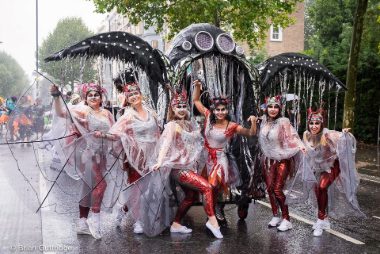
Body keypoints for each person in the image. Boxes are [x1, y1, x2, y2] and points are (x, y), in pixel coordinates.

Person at [152, 90, 223, 238]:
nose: (182, 109)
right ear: (173, 109)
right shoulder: (172, 125)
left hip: (190, 166)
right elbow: (165, 144)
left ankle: (176, 224)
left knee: (191, 197)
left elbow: (199, 141)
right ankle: (212, 221)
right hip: (179, 169)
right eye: (178, 106)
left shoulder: (190, 125)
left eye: (184, 105)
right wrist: (159, 161)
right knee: (207, 188)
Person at [50, 83, 115, 239]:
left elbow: (114, 133)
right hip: (86, 154)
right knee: (100, 185)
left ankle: (81, 222)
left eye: (96, 95)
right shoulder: (82, 111)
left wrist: (105, 137)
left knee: (88, 187)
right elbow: (60, 113)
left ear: (101, 97)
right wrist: (56, 96)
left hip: (102, 155)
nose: (93, 97)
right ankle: (95, 219)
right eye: (90, 95)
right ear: (86, 98)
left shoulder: (107, 114)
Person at [193, 80, 257, 225]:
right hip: (206, 157)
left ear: (227, 110)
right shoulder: (208, 117)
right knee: (209, 187)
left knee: (214, 184)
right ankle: (214, 210)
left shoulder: (231, 126)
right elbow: (196, 100)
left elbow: (250, 133)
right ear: (213, 110)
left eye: (223, 109)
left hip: (221, 159)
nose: (220, 112)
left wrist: (253, 122)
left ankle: (217, 208)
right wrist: (197, 87)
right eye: (218, 110)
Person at [106, 70, 161, 234]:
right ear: (127, 99)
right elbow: (115, 133)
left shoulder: (152, 112)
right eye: (130, 95)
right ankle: (138, 221)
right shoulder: (127, 115)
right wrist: (102, 135)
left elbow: (158, 132)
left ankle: (122, 211)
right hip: (135, 157)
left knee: (147, 190)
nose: (134, 96)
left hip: (152, 156)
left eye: (136, 93)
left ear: (141, 95)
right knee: (137, 190)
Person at [300, 108, 364, 236]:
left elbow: (344, 139)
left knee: (322, 186)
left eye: (317, 123)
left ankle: (320, 220)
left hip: (333, 165)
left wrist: (345, 134)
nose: (314, 126)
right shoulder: (306, 134)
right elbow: (307, 152)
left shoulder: (328, 134)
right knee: (318, 191)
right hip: (318, 166)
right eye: (311, 123)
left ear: (322, 124)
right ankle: (325, 219)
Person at [256, 95, 305, 232]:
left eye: (275, 107)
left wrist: (300, 145)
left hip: (282, 159)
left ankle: (286, 219)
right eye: (270, 106)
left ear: (280, 108)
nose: (272, 109)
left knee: (278, 189)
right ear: (266, 108)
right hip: (268, 160)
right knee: (270, 189)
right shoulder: (264, 120)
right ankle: (275, 215)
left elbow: (293, 136)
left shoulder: (284, 121)